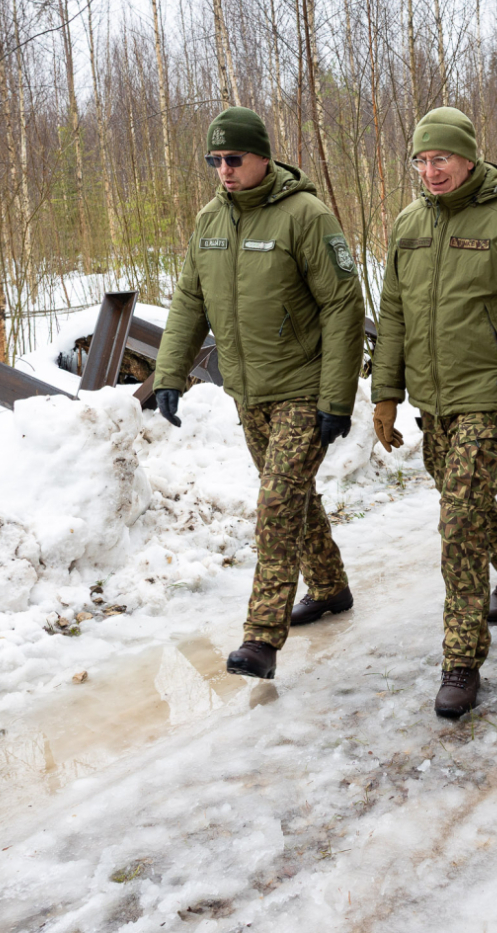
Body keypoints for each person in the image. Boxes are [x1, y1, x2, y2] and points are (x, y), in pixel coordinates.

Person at [154, 107, 366, 681]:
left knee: (275, 505)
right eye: (214, 160)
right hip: (249, 390)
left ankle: (261, 638)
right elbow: (189, 302)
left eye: (234, 159)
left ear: (263, 158)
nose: (223, 170)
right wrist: (170, 374)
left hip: (303, 386)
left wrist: (336, 397)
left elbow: (344, 305)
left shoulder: (306, 216)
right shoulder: (209, 221)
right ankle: (329, 588)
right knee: (294, 497)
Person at [371, 106, 497, 718]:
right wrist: (385, 391)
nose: (431, 171)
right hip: (434, 401)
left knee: (457, 523)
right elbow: (395, 312)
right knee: (470, 506)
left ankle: (461, 661)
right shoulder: (408, 223)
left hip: (488, 394)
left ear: (469, 157)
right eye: (422, 161)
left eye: (442, 159)